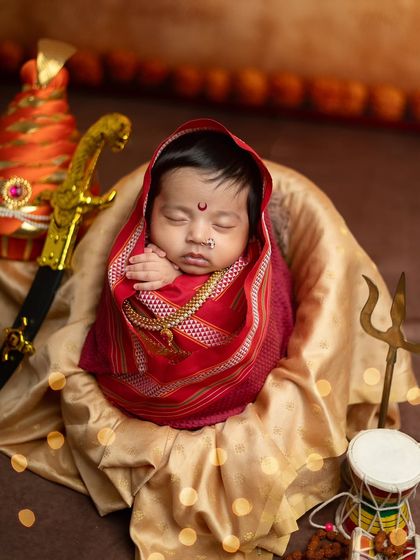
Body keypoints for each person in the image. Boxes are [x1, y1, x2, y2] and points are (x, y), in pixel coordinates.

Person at [79, 120, 294, 428]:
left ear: (252, 231)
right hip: (145, 385)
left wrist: (179, 284)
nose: (197, 235)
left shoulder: (256, 272)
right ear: (148, 211)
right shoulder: (141, 255)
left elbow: (267, 326)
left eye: (222, 225)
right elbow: (127, 313)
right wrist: (160, 282)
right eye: (176, 218)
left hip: (231, 391)